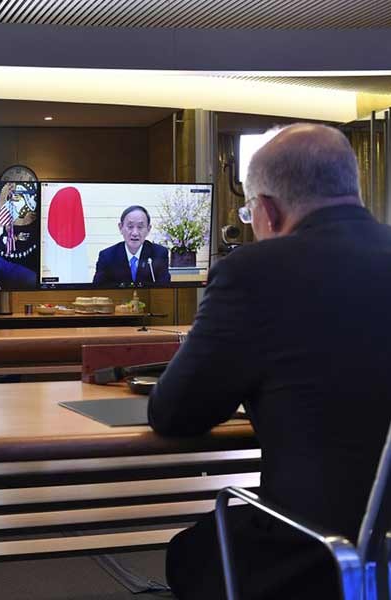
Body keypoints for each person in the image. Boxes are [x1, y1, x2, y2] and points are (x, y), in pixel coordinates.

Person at [148, 123, 391, 599]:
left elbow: (175, 414)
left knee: (189, 554)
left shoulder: (253, 274)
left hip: (318, 551)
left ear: (266, 211)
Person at [91, 205, 171, 286]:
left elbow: (165, 288)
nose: (135, 233)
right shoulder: (107, 256)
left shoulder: (159, 254)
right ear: (120, 227)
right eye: (130, 227)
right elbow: (97, 289)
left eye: (140, 227)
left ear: (148, 229)